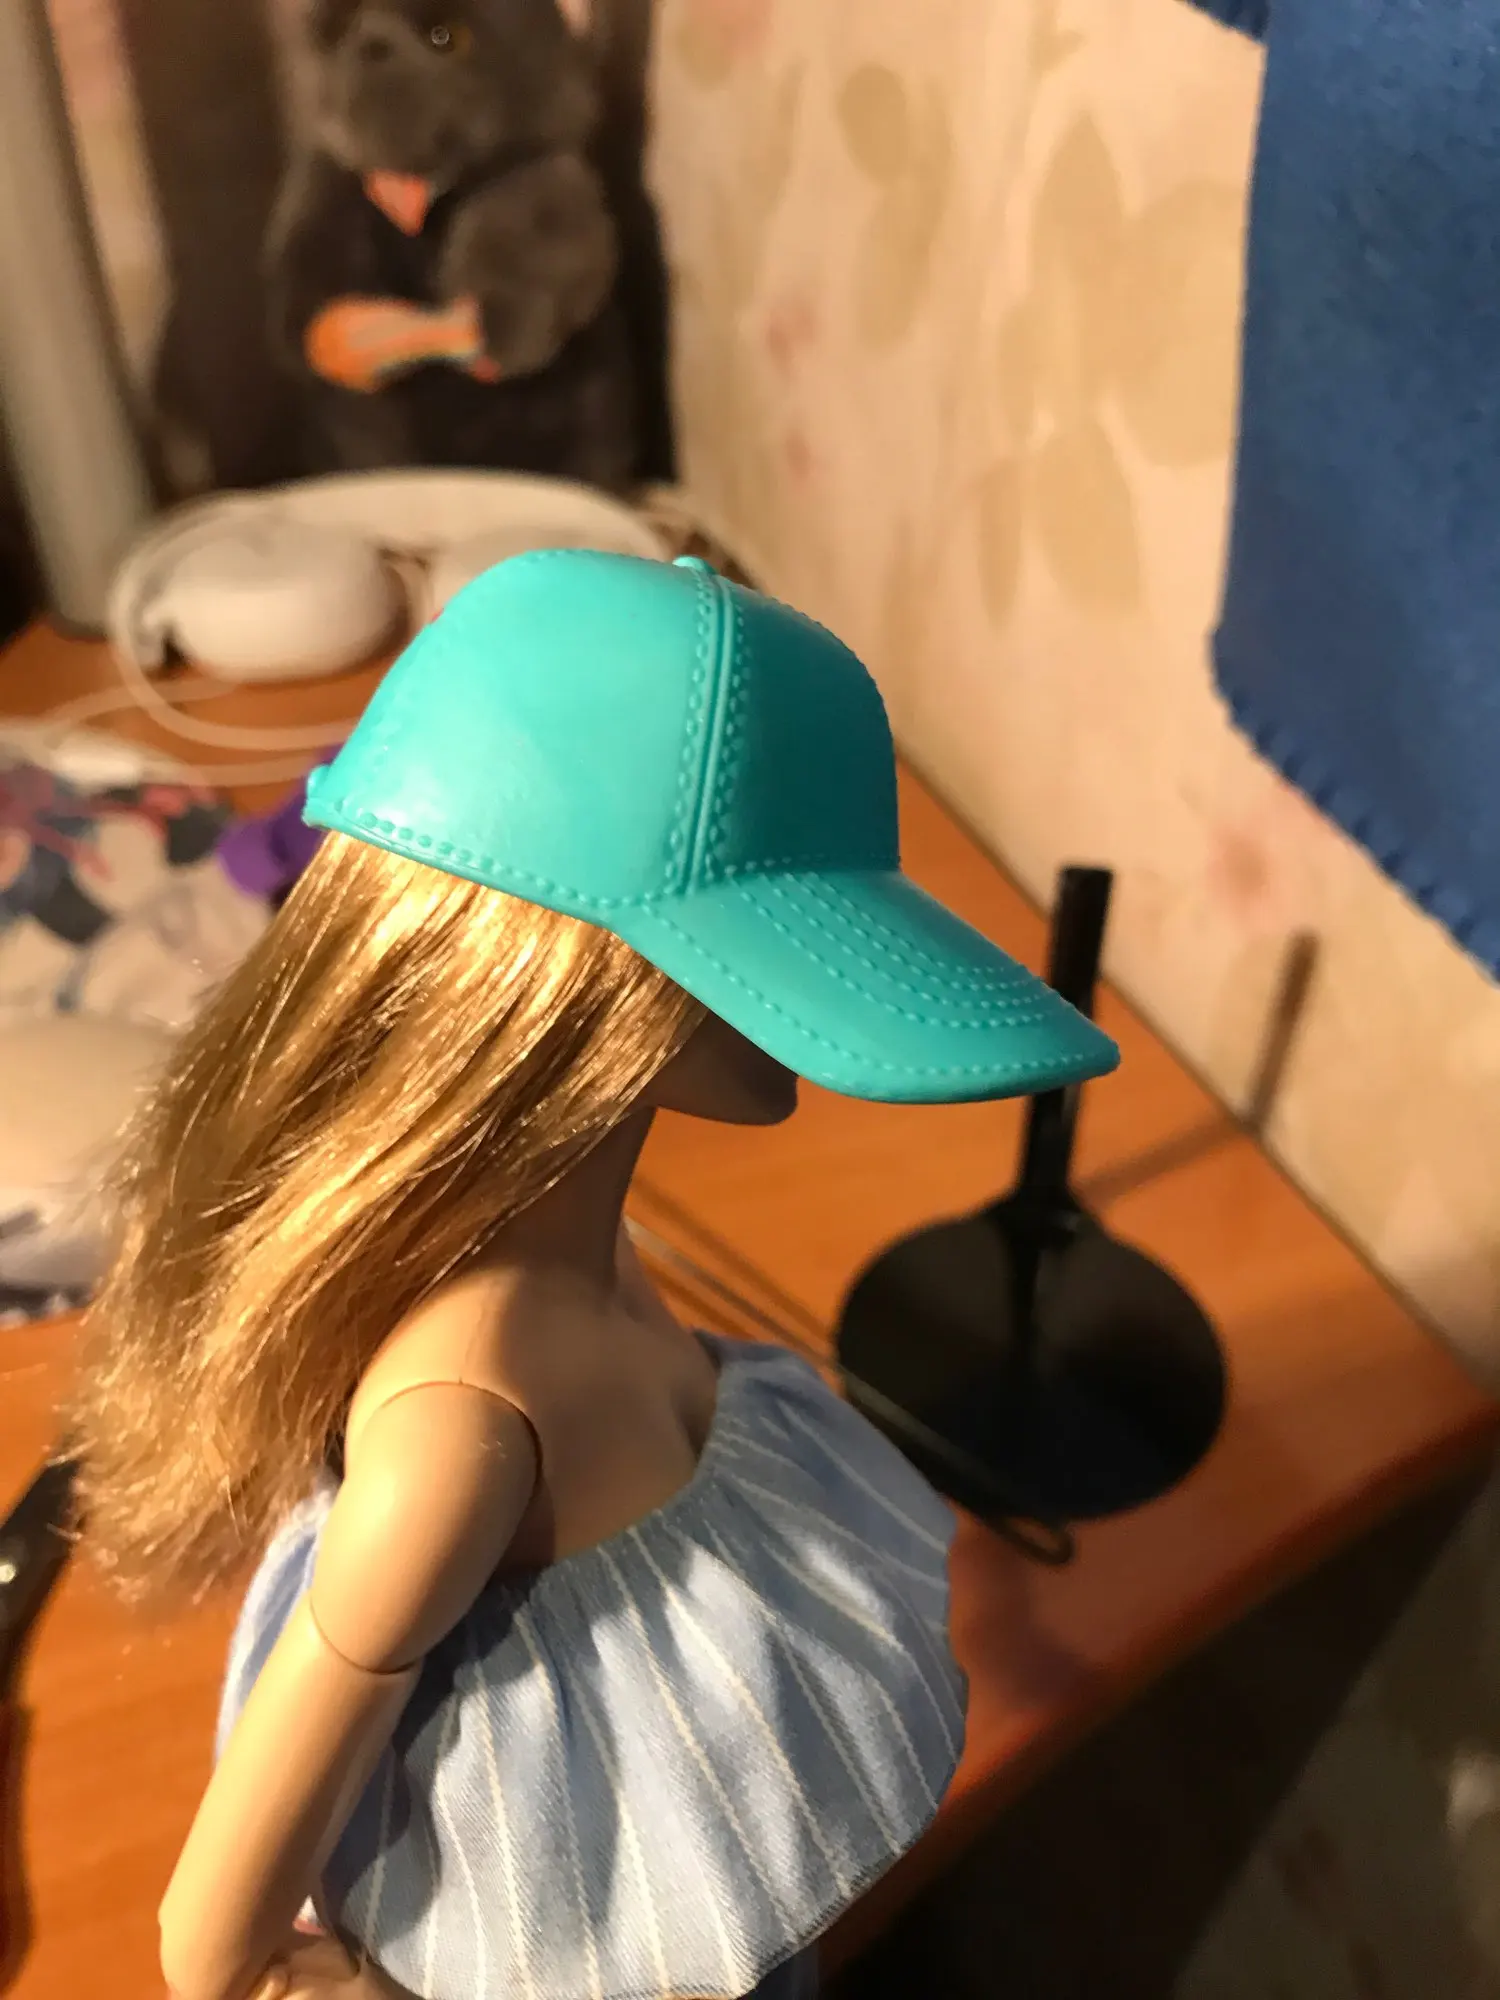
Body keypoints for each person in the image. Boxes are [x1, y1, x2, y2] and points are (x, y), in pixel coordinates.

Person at [66, 551, 1118, 2000]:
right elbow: (212, 1935)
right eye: (761, 950)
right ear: (582, 971)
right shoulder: (459, 1431)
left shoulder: (587, 1252)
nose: (796, 1023)